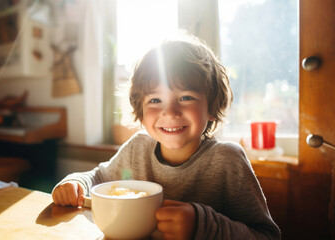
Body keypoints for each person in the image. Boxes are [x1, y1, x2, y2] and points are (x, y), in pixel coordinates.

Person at [52, 31, 281, 240]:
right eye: (155, 100)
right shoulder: (137, 149)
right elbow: (99, 178)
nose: (170, 112)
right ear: (140, 111)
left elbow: (268, 236)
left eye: (186, 97)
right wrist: (76, 183)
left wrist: (204, 226)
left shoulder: (228, 161)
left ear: (212, 106)